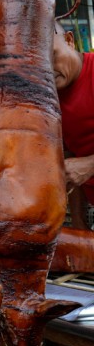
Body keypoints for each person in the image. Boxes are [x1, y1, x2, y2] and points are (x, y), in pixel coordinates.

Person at [53, 21, 94, 230]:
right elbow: (71, 159)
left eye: (53, 56)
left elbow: (82, 166)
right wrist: (79, 221)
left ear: (69, 40)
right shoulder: (52, 98)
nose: (49, 69)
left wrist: (90, 164)